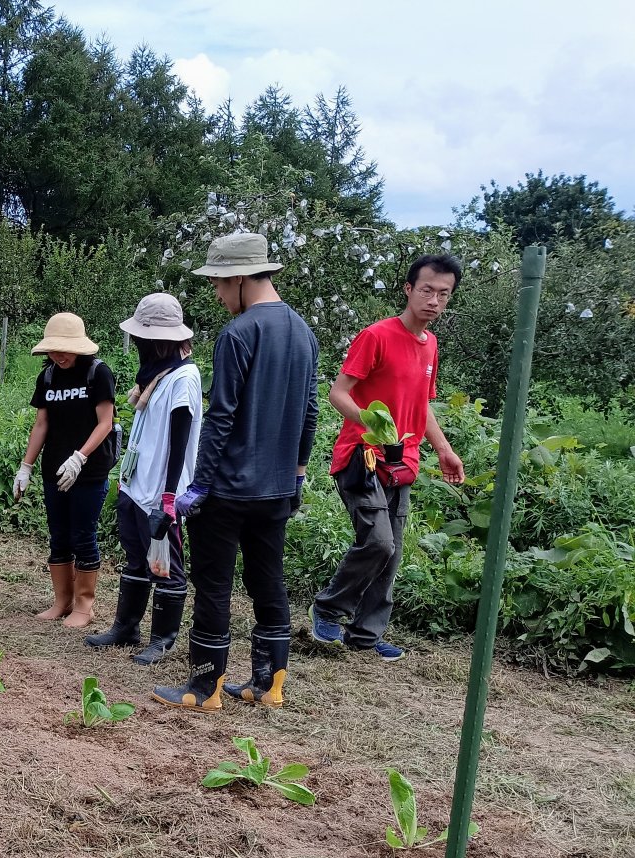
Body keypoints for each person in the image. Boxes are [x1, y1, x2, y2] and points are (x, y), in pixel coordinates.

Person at [153, 233, 318, 711]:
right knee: (268, 580)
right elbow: (309, 412)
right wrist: (298, 474)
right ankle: (268, 686)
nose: (218, 296)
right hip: (276, 489)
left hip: (227, 490)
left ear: (240, 278)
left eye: (220, 286)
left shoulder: (240, 333)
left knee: (214, 583)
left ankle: (203, 688)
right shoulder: (304, 333)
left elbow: (221, 415)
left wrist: (200, 483)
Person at [310, 254, 466, 660]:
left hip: (404, 462)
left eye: (443, 294)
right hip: (362, 456)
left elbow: (422, 406)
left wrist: (445, 450)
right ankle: (328, 607)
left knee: (392, 550)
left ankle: (365, 633)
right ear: (409, 290)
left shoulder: (430, 344)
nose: (434, 300)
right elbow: (338, 393)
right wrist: (372, 424)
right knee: (378, 542)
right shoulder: (376, 335)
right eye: (427, 290)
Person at [87, 294, 202, 664]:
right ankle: (126, 627)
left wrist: (170, 497)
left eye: (140, 339)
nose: (136, 344)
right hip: (135, 486)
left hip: (159, 493)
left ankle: (163, 639)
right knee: (137, 559)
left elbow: (180, 439)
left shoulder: (183, 377)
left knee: (164, 564)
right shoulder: (154, 376)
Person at [10, 313, 117, 628]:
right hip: (55, 470)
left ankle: (84, 606)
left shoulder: (98, 374)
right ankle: (61, 601)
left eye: (65, 349)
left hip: (89, 470)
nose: (60, 355)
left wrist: (80, 457)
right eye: (54, 350)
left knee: (83, 535)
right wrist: (25, 466)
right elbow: (41, 424)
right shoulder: (47, 378)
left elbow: (105, 423)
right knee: (59, 535)